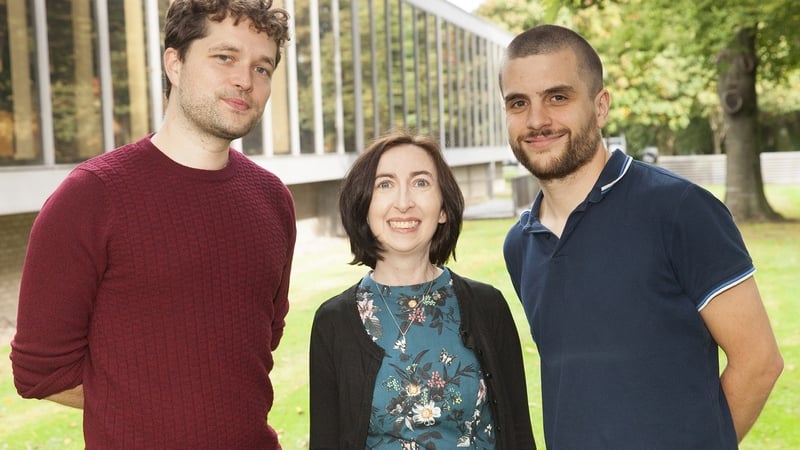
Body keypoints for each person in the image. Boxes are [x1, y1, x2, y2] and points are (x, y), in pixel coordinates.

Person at [10, 1, 294, 448]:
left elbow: (258, 341)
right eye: (225, 57)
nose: (245, 79)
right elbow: (39, 371)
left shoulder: (273, 199)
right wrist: (148, 408)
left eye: (263, 68)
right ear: (174, 63)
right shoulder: (91, 197)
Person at [499, 24, 783, 448]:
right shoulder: (520, 244)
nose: (537, 120)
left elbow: (759, 362)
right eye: (519, 103)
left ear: (600, 106)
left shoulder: (680, 210)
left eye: (558, 97)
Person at [309, 131, 536, 449]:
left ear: (443, 208)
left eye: (421, 183)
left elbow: (519, 434)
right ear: (364, 206)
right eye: (385, 184)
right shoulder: (333, 322)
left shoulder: (489, 307)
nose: (404, 202)